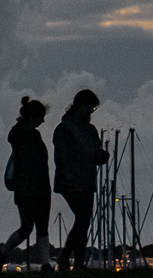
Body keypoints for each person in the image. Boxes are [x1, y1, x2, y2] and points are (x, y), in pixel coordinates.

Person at [0, 97, 52, 272]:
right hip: (28, 187)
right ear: (34, 116)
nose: (43, 121)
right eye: (41, 117)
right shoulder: (23, 134)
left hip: (36, 187)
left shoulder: (25, 133)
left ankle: (45, 264)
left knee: (39, 227)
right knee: (29, 227)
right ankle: (4, 253)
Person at [53, 89, 108, 271]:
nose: (91, 112)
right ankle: (65, 257)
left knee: (84, 221)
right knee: (83, 218)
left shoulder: (91, 131)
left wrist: (101, 156)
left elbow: (94, 154)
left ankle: (77, 263)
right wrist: (66, 174)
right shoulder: (63, 129)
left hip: (87, 178)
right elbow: (60, 156)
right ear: (81, 106)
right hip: (69, 180)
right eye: (90, 108)